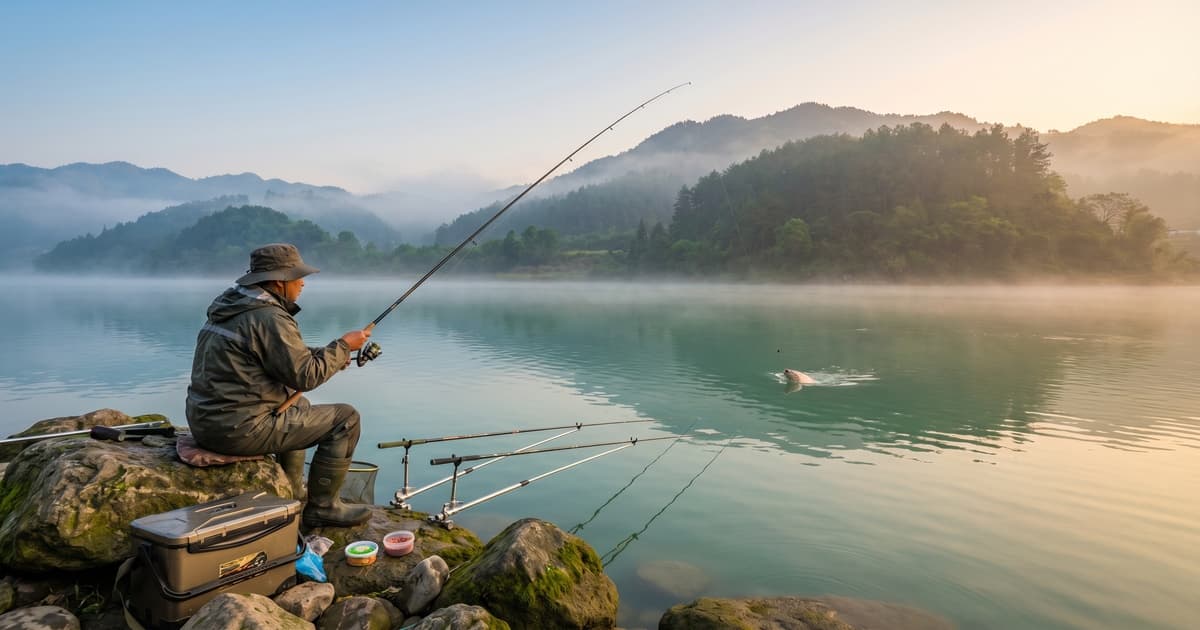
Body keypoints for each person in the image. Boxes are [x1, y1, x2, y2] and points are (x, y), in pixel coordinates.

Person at [186, 243, 373, 528]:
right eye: (298, 277)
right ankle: (323, 508)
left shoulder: (233, 306)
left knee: (299, 406)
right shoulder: (269, 317)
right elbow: (305, 377)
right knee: (345, 419)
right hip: (236, 431)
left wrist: (331, 355)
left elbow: (275, 355)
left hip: (206, 421)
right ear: (278, 281)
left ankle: (292, 492)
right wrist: (344, 346)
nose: (302, 283)